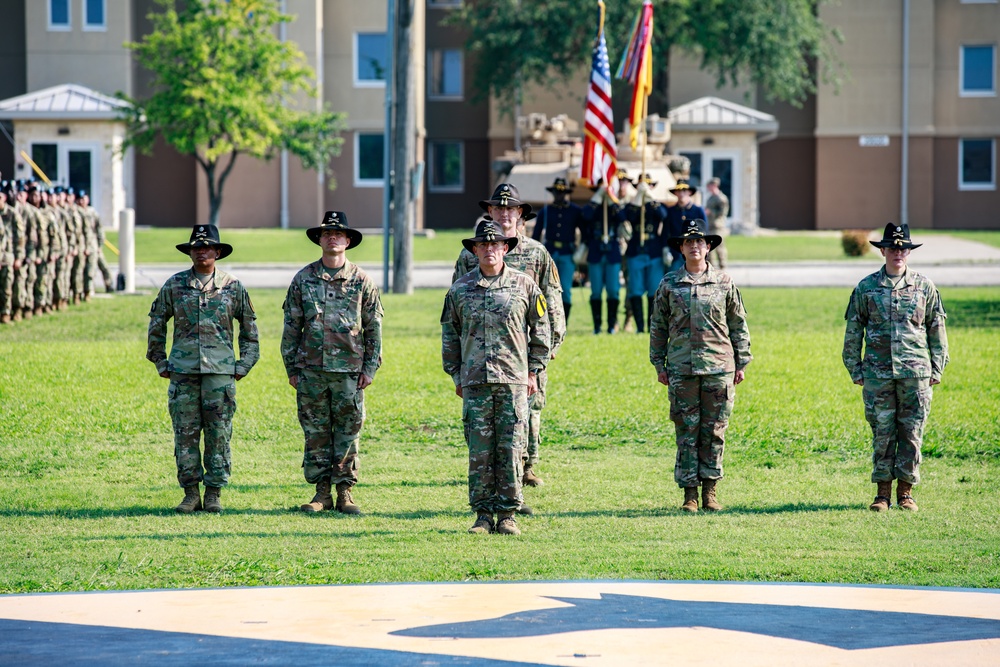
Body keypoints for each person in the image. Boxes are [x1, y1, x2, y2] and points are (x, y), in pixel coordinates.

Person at [442, 218, 551, 535]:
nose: (489, 249)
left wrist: (533, 370)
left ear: (506, 247)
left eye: (495, 244)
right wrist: (456, 375)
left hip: (513, 381)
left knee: (511, 449)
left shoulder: (525, 285)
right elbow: (450, 335)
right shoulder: (460, 290)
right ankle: (482, 515)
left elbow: (541, 331)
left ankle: (507, 515)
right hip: (475, 382)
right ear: (475, 250)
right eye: (483, 245)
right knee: (480, 451)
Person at [453, 183, 565, 491]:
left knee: (530, 407)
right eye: (498, 209)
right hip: (483, 351)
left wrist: (552, 342)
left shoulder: (536, 252)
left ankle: (526, 465)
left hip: (525, 349)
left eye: (510, 209)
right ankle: (491, 467)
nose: (504, 214)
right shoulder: (470, 253)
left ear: (519, 213)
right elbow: (456, 300)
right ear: (489, 212)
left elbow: (551, 300)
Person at [147, 224, 259, 513]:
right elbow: (157, 321)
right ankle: (190, 493)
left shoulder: (233, 287)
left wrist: (243, 364)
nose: (201, 251)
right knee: (185, 434)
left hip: (220, 375)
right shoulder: (175, 285)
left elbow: (249, 329)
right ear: (190, 252)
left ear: (217, 252)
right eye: (196, 247)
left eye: (207, 247)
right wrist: (160, 360)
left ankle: (213, 493)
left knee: (219, 434)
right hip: (183, 373)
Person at [281, 211, 383, 515]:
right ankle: (321, 493)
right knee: (316, 433)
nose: (333, 238)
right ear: (319, 240)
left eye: (338, 234)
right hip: (311, 371)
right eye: (327, 234)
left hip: (349, 372)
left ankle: (345, 493)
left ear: (348, 241)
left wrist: (369, 368)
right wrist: (291, 368)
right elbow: (291, 327)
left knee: (348, 432)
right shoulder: (304, 279)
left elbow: (373, 327)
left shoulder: (362, 281)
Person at [842, 223, 948, 512]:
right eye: (892, 248)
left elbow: (936, 329)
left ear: (909, 252)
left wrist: (937, 369)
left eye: (903, 248)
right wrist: (855, 368)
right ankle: (882, 493)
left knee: (912, 432)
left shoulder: (924, 287)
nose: (897, 253)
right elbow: (854, 331)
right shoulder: (866, 288)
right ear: (883, 251)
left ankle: (906, 492)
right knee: (882, 432)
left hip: (916, 373)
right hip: (877, 374)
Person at [650, 218, 752, 513]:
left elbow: (738, 323)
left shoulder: (724, 283)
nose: (695, 246)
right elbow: (657, 326)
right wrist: (659, 363)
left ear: (708, 247)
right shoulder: (669, 283)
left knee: (714, 431)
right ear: (681, 248)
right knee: (686, 431)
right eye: (689, 242)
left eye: (700, 241)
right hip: (682, 369)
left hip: (719, 367)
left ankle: (711, 491)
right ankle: (689, 495)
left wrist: (741, 361)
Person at [532, 177, 585, 323]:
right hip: (550, 252)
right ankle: (547, 320)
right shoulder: (546, 211)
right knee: (547, 288)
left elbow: (584, 233)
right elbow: (536, 235)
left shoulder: (575, 210)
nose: (559, 195)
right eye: (556, 192)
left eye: (562, 192)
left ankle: (564, 322)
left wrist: (580, 251)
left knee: (566, 290)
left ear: (566, 193)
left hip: (568, 253)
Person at [582, 174, 628, 334]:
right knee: (595, 290)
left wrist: (610, 198)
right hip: (596, 249)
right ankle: (597, 326)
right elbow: (585, 215)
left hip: (612, 251)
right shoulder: (593, 206)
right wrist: (598, 197)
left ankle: (611, 325)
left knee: (613, 289)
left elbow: (623, 217)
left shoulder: (614, 205)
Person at [623, 173, 667, 333]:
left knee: (653, 289)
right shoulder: (632, 205)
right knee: (635, 289)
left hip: (653, 251)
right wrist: (637, 198)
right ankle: (640, 326)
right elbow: (627, 216)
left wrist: (649, 196)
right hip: (636, 250)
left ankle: (651, 326)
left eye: (648, 186)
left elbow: (663, 216)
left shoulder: (656, 205)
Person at [663, 181, 706, 273]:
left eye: (684, 190)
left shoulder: (698, 210)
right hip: (675, 252)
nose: (681, 193)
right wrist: (666, 249)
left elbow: (705, 232)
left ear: (689, 192)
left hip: (694, 251)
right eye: (678, 191)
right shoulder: (671, 211)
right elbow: (665, 231)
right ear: (675, 193)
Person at [704, 178, 730, 269]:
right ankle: (711, 266)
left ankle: (722, 266)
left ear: (714, 186)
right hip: (710, 225)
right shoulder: (711, 198)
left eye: (709, 186)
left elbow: (722, 213)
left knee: (720, 247)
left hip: (718, 226)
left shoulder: (721, 198)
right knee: (709, 248)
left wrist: (710, 212)